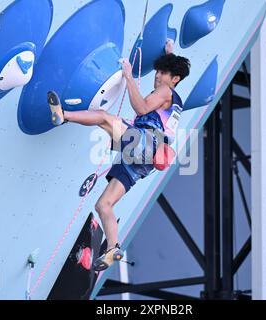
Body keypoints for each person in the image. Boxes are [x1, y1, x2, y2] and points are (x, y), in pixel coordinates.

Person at [47, 41, 190, 271]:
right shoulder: (175, 100)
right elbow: (173, 75)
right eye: (158, 71)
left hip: (145, 143)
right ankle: (113, 247)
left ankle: (62, 115)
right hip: (147, 160)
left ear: (175, 79)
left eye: (163, 73)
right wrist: (170, 53)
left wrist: (129, 76)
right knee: (104, 205)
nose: (157, 77)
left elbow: (142, 108)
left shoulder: (165, 91)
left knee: (104, 117)